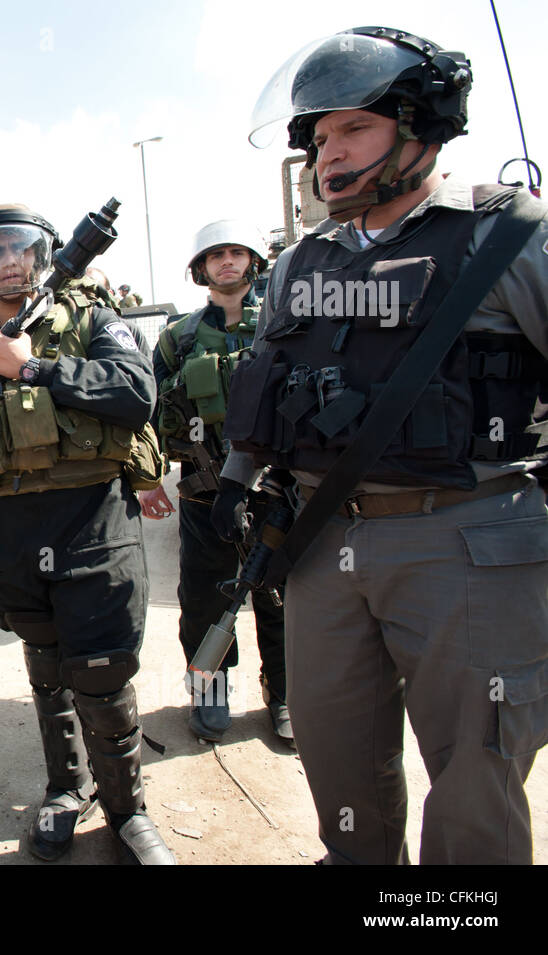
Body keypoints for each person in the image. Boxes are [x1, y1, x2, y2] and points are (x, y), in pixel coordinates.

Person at [216, 27, 548, 864]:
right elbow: (272, 385)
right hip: (324, 544)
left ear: (418, 125)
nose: (328, 156)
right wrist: (236, 484)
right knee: (340, 773)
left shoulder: (509, 236)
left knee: (476, 786)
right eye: (319, 138)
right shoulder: (299, 264)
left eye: (351, 130)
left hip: (468, 539)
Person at [0, 203, 174, 865]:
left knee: (101, 672)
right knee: (47, 671)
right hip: (10, 534)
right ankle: (64, 789)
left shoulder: (90, 318)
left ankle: (128, 809)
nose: (9, 261)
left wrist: (32, 368)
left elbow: (136, 393)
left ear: (43, 255)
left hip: (93, 526)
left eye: (20, 248)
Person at [149, 220, 292, 745]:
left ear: (253, 262)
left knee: (281, 592)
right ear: (201, 268)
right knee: (206, 596)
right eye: (216, 256)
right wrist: (149, 479)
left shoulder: (285, 322)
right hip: (204, 486)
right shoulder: (178, 337)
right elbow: (153, 411)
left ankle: (284, 691)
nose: (227, 262)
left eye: (236, 253)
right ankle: (209, 689)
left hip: (279, 486)